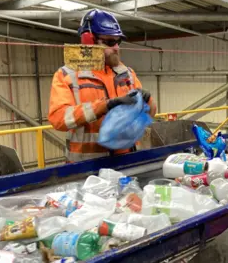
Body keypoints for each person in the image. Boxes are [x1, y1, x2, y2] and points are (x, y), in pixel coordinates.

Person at [48, 9, 156, 163]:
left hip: (127, 162)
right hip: (86, 168)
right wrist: (104, 106)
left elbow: (148, 115)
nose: (116, 48)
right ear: (89, 41)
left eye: (118, 42)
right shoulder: (67, 75)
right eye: (110, 42)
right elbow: (58, 119)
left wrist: (149, 100)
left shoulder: (127, 73)